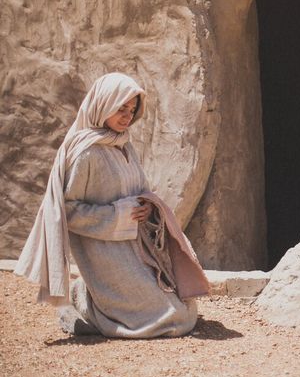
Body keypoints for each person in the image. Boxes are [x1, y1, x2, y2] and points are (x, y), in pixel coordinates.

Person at [14, 72, 209, 338]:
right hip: (105, 254)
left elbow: (139, 190)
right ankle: (87, 306)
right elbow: (67, 212)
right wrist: (120, 215)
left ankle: (85, 293)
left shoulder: (124, 144)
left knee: (186, 309)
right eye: (121, 108)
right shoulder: (86, 153)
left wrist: (147, 208)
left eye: (132, 109)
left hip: (138, 248)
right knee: (170, 319)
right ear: (103, 104)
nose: (127, 115)